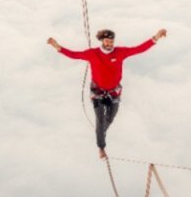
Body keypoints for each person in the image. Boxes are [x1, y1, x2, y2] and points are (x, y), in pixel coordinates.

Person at [47, 28, 167, 158]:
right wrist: (57, 46)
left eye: (111, 41)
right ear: (102, 41)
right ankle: (101, 147)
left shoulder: (120, 52)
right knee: (100, 119)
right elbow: (74, 54)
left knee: (110, 117)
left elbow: (138, 49)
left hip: (114, 91)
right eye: (107, 41)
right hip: (97, 91)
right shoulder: (92, 54)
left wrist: (156, 37)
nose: (109, 44)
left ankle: (100, 131)